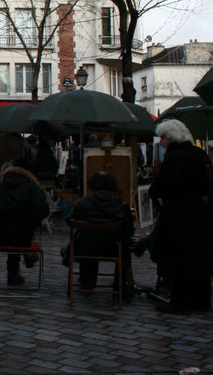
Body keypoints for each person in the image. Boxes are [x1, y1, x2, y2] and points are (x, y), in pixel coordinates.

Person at [148, 120, 213, 313]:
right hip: (199, 211)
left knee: (178, 257)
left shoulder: (175, 158)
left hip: (178, 212)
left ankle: (181, 301)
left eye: (163, 138)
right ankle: (201, 300)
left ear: (171, 139)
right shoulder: (200, 154)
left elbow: (162, 186)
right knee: (198, 257)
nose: (161, 142)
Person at [67, 171, 133, 291]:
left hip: (85, 249)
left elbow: (70, 221)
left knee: (86, 239)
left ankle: (87, 281)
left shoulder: (83, 203)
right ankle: (121, 285)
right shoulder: (121, 206)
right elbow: (129, 231)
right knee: (123, 246)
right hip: (112, 249)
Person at [0, 158, 49, 285]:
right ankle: (24, 261)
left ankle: (13, 273)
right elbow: (43, 211)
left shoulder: (1, 186)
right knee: (21, 229)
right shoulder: (31, 187)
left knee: (12, 228)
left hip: (3, 237)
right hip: (24, 237)